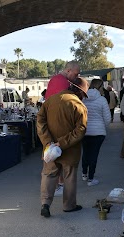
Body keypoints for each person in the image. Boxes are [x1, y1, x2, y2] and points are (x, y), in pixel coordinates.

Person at [37, 77, 89, 218]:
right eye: (83, 94)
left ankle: (45, 204)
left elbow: (40, 122)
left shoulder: (50, 100)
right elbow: (81, 130)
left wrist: (48, 142)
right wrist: (62, 143)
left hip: (50, 150)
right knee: (69, 177)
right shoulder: (79, 105)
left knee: (49, 174)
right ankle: (69, 205)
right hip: (70, 150)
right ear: (79, 92)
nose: (83, 97)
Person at [45, 60, 81, 196]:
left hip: (51, 123)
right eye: (75, 74)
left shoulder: (54, 80)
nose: (76, 77)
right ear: (68, 71)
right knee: (62, 158)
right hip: (60, 125)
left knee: (53, 158)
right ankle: (59, 186)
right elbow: (64, 107)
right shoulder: (63, 83)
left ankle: (49, 196)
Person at [81, 79, 111, 186]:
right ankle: (91, 179)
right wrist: (103, 126)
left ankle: (84, 174)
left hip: (85, 131)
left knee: (85, 153)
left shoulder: (83, 98)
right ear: (100, 87)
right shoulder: (102, 100)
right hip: (98, 132)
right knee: (94, 155)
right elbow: (107, 118)